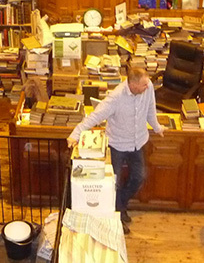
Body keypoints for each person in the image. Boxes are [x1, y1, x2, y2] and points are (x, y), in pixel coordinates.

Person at [67, 67, 165, 234]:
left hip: (138, 142)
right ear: (132, 84)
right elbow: (95, 116)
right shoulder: (115, 98)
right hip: (117, 144)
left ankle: (120, 205)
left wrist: (157, 127)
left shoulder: (147, 88)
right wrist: (75, 134)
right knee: (114, 183)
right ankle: (118, 214)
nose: (147, 87)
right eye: (143, 85)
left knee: (139, 177)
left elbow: (150, 110)